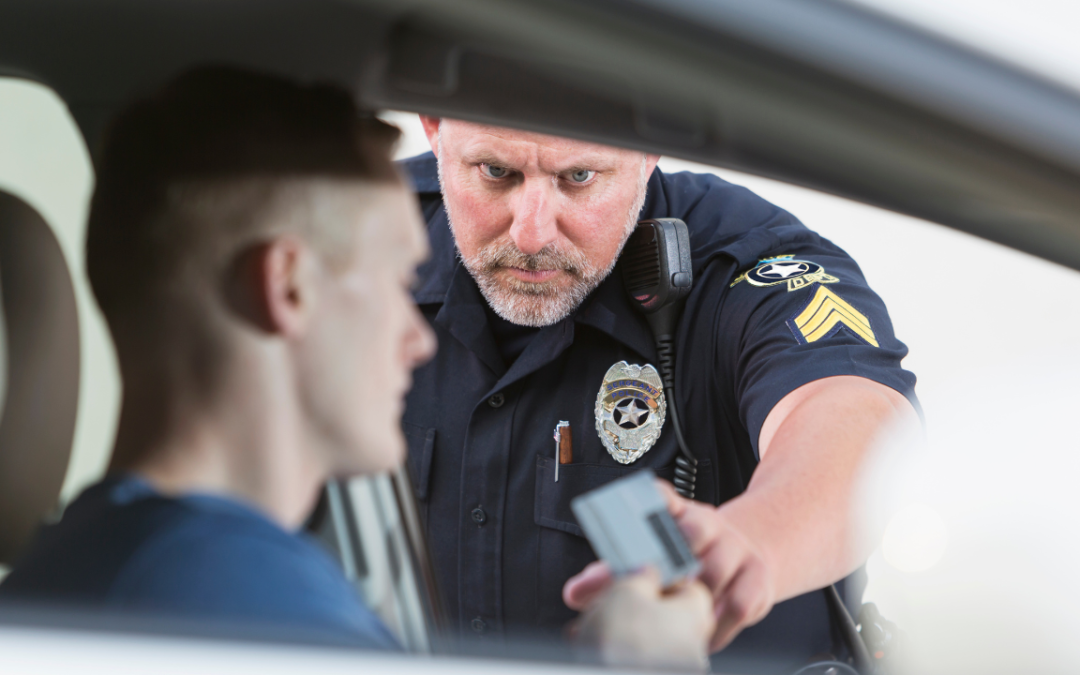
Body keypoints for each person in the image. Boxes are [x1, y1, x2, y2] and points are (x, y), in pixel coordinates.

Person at [0, 66, 715, 667]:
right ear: (289, 288)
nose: (419, 340)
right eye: (398, 280)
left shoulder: (85, 571)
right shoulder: (249, 607)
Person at [397, 117, 920, 668]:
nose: (532, 232)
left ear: (651, 149)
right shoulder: (352, 233)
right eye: (496, 172)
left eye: (578, 176)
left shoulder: (742, 260)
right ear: (433, 128)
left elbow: (860, 422)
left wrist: (745, 547)